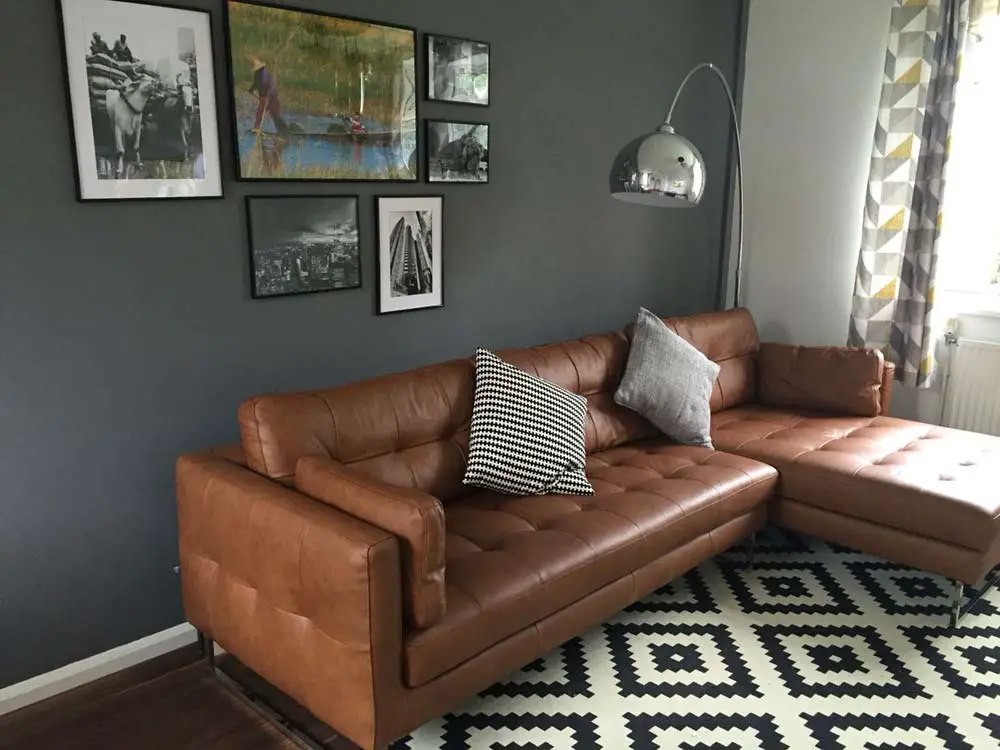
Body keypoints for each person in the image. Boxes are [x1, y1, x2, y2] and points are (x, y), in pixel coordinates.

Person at [248, 57, 289, 137]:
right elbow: (256, 84)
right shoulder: (257, 74)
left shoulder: (264, 75)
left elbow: (270, 86)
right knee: (260, 112)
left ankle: (282, 130)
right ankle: (256, 128)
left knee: (275, 114)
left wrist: (268, 97)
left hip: (271, 96)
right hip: (263, 97)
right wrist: (251, 89)